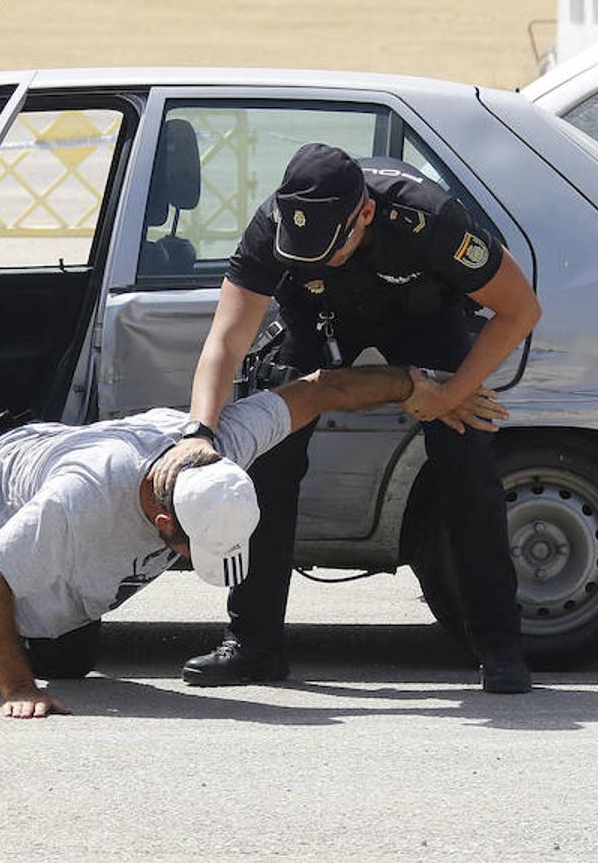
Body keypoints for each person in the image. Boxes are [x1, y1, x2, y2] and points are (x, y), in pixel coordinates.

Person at [0, 365, 507, 718]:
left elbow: (317, 391)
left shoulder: (220, 444)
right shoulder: (84, 500)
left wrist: (419, 387)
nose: (185, 562)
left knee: (71, 649)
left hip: (44, 514)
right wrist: (18, 691)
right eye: (188, 552)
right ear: (165, 524)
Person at [153, 143, 542, 695]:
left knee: (466, 455)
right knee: (269, 453)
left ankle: (499, 645)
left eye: (327, 249)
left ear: (364, 215)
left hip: (422, 317)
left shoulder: (426, 218)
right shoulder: (272, 225)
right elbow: (225, 340)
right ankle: (253, 644)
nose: (315, 256)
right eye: (303, 251)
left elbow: (520, 307)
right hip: (320, 317)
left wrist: (453, 391)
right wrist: (200, 431)